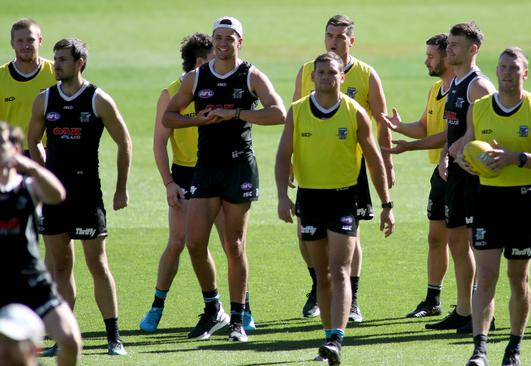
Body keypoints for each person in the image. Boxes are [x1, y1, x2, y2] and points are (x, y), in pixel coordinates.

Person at [163, 16, 286, 342]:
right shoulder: (196, 77)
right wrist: (196, 119)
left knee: (234, 245)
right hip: (206, 167)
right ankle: (213, 306)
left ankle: (237, 320)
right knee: (194, 242)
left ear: (239, 42)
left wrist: (236, 113)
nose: (222, 43)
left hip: (238, 167)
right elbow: (169, 116)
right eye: (218, 37)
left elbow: (279, 113)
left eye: (229, 38)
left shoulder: (251, 75)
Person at [277, 51, 395, 366]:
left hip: (344, 198)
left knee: (340, 269)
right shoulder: (298, 111)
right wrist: (280, 196)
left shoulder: (355, 112)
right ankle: (328, 335)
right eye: (321, 73)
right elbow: (282, 155)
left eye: (333, 73)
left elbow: (374, 159)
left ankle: (335, 339)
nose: (327, 78)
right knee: (322, 275)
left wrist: (386, 204)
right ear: (312, 77)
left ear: (342, 77)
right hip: (310, 198)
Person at [140, 33, 257, 334]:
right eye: (212, 58)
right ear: (199, 62)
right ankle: (161, 306)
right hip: (187, 176)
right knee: (183, 241)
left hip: (222, 170)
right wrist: (168, 182)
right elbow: (159, 142)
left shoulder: (225, 82)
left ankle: (242, 311)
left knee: (232, 243)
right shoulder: (174, 92)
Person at [454, 48, 531, 366]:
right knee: (485, 277)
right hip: (487, 199)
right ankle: (479, 349)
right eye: (502, 67)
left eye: (514, 68)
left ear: (524, 73)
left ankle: (514, 347)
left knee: (519, 279)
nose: (506, 73)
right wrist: (466, 161)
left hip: (523, 201)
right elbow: (466, 146)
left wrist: (517, 158)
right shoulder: (479, 108)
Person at [27, 38, 132, 356]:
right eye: (55, 58)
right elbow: (34, 141)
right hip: (56, 198)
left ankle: (114, 337)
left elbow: (124, 141)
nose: (55, 64)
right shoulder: (44, 99)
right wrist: (44, 176)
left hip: (88, 194)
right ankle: (64, 337)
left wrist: (121, 188)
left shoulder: (98, 99)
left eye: (62, 59)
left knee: (97, 263)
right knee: (60, 266)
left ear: (79, 63)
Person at [292, 14, 394, 322]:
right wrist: (291, 165)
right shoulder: (309, 70)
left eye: (340, 36)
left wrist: (386, 163)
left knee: (350, 236)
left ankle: (353, 297)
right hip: (311, 168)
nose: (334, 41)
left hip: (352, 167)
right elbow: (295, 120)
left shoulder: (365, 74)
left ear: (352, 40)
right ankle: (318, 287)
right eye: (329, 35)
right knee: (304, 234)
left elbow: (381, 121)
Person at [427, 22, 495, 333]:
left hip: (473, 177)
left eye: (455, 45)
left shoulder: (478, 86)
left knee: (476, 244)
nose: (448, 49)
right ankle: (464, 309)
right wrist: (446, 154)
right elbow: (455, 131)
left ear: (473, 49)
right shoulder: (456, 81)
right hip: (455, 172)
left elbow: (493, 129)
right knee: (456, 240)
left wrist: (473, 154)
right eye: (449, 44)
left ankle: (485, 315)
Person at [381, 34, 452, 318]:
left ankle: (471, 305)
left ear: (447, 57)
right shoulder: (436, 89)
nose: (427, 60)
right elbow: (425, 127)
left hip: (462, 173)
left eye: (431, 56)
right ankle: (433, 299)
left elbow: (448, 135)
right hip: (441, 172)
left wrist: (408, 147)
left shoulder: (465, 89)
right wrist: (399, 127)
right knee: (436, 238)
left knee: (464, 242)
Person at [0, 123, 82, 366]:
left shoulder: (28, 186)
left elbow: (57, 195)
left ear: (15, 149)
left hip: (31, 281)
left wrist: (32, 167)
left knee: (70, 341)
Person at [0, 18, 55, 154]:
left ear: (40, 41)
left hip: (50, 151)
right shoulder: (1, 76)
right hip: (12, 153)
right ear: (12, 44)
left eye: (30, 40)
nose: (26, 46)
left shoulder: (56, 72)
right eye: (20, 41)